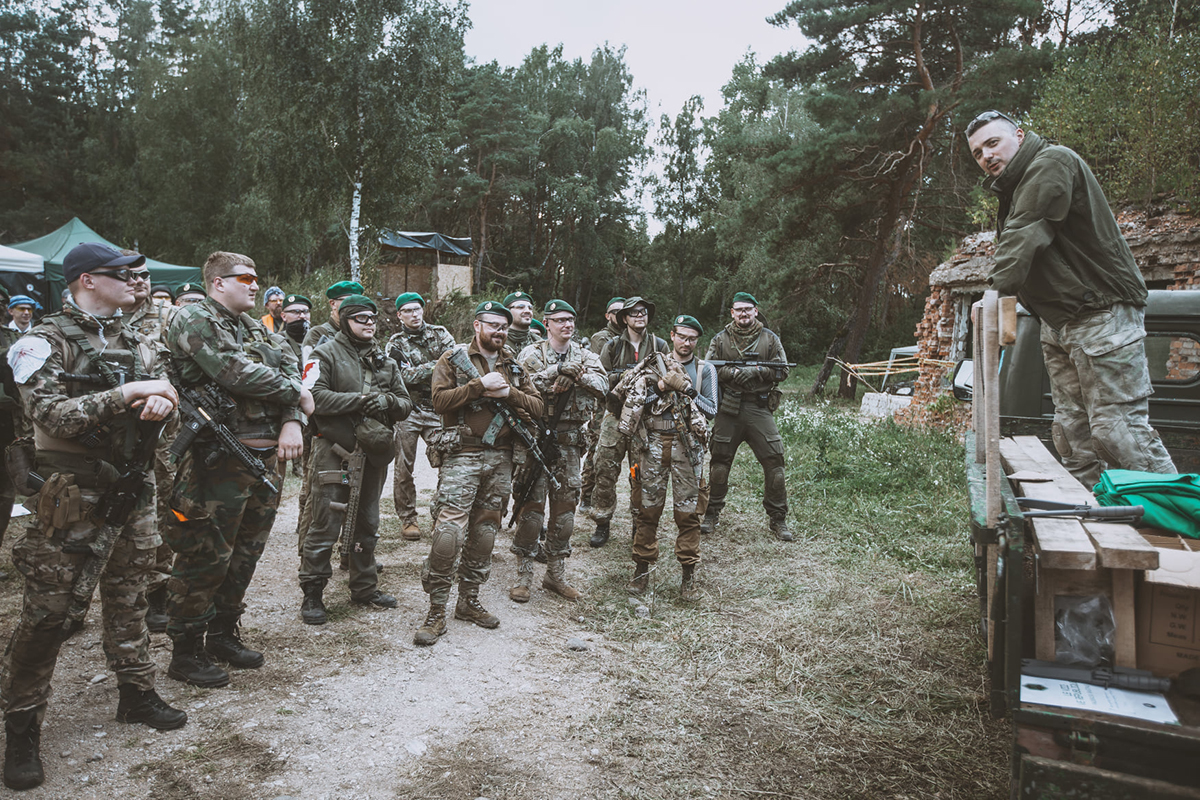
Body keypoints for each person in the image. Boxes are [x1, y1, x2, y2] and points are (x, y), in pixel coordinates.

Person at [1, 242, 186, 791]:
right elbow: (51, 414)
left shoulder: (139, 339)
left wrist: (164, 402)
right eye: (122, 274)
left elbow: (170, 404)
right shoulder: (41, 342)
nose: (135, 281)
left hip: (134, 488)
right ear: (86, 280)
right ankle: (21, 726)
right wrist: (129, 392)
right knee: (49, 612)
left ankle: (136, 690)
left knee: (130, 593)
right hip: (72, 497)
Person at [966, 110, 1176, 487]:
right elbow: (1028, 253)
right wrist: (1010, 316)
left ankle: (1183, 520)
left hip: (1100, 314)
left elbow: (1025, 232)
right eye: (978, 153)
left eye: (993, 143)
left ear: (1019, 135)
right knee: (1073, 437)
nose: (987, 156)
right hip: (1059, 322)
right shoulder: (1013, 189)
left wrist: (994, 294)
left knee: (1119, 433)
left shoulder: (1052, 162)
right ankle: (1087, 515)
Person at [163, 251, 312, 688]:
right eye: (245, 278)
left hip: (263, 461)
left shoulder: (253, 326)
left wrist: (292, 418)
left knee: (246, 553)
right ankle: (185, 650)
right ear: (218, 283)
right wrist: (296, 394)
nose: (255, 285)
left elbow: (288, 364)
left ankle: (222, 633)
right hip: (216, 462)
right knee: (205, 555)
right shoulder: (195, 319)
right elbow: (233, 372)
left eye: (255, 277)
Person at [412, 301, 543, 647]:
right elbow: (439, 402)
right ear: (477, 325)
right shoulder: (451, 359)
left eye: (504, 326)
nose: (499, 331)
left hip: (501, 457)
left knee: (485, 533)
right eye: (493, 325)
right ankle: (436, 610)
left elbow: (538, 406)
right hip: (463, 454)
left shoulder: (513, 366)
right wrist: (479, 386)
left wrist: (509, 392)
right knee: (448, 535)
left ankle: (468, 601)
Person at [299, 295, 412, 624]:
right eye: (361, 318)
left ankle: (364, 587)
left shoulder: (385, 360)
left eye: (373, 318)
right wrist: (361, 400)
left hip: (373, 451)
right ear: (345, 320)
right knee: (325, 521)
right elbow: (312, 397)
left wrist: (387, 401)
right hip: (334, 449)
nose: (369, 323)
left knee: (368, 521)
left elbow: (405, 403)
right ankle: (312, 592)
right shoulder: (325, 353)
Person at [511, 299, 607, 603]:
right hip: (537, 439)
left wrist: (576, 375)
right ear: (547, 323)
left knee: (565, 513)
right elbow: (520, 386)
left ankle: (555, 574)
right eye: (560, 320)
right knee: (531, 510)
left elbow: (603, 386)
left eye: (571, 320)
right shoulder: (531, 354)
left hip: (570, 443)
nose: (567, 325)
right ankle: (524, 574)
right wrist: (557, 370)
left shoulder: (586, 356)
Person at [611, 317, 711, 601]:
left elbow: (711, 410)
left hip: (687, 447)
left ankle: (688, 576)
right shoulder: (650, 366)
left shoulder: (704, 370)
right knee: (647, 509)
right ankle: (641, 570)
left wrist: (687, 389)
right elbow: (632, 404)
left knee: (689, 513)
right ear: (672, 336)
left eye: (692, 338)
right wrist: (662, 388)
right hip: (652, 445)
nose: (686, 342)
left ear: (697, 341)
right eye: (682, 336)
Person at [703, 292, 792, 541]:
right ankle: (711, 513)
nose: (743, 313)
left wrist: (758, 371)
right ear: (732, 312)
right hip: (728, 408)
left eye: (748, 309)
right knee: (719, 463)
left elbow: (783, 370)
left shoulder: (770, 339)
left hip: (758, 407)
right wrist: (731, 373)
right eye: (739, 309)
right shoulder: (720, 339)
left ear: (755, 311)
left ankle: (778, 519)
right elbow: (707, 368)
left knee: (775, 463)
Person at [125, 260, 179, 635]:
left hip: (163, 432)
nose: (140, 281)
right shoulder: (102, 320)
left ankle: (158, 589)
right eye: (132, 275)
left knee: (162, 505)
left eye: (145, 275)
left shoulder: (169, 316)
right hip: (113, 428)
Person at [592, 297, 669, 547]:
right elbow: (601, 380)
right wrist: (628, 376)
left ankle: (639, 525)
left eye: (643, 312)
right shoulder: (612, 346)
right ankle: (602, 521)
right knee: (604, 470)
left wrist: (648, 381)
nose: (639, 316)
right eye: (634, 313)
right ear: (624, 318)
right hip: (615, 416)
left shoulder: (659, 345)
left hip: (645, 421)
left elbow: (668, 378)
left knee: (642, 475)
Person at [386, 292, 456, 541]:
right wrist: (437, 365)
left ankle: (441, 516)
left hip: (438, 408)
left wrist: (423, 369)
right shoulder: (395, 344)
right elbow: (401, 377)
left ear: (423, 310)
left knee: (447, 462)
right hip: (409, 410)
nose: (414, 314)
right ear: (399, 315)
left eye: (417, 309)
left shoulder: (440, 334)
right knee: (404, 467)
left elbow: (454, 364)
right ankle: (408, 519)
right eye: (408, 311)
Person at [580, 297, 625, 513]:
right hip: (604, 402)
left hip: (626, 400)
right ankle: (587, 495)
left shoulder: (631, 336)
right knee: (596, 448)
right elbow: (601, 371)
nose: (620, 315)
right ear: (608, 315)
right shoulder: (602, 338)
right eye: (616, 312)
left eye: (624, 312)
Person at [303, 281, 364, 360]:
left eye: (358, 302)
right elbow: (310, 365)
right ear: (333, 304)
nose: (355, 306)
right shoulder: (318, 334)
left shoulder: (363, 332)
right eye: (348, 301)